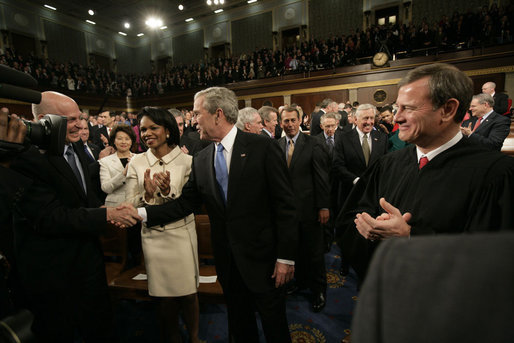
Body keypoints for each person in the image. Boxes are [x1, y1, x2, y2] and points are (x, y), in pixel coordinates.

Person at [120, 87, 298, 343]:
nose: (193, 120)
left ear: (217, 114)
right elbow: (184, 204)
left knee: (275, 326)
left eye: (196, 113)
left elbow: (286, 207)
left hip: (266, 261)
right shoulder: (202, 158)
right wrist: (139, 213)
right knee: (239, 324)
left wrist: (286, 258)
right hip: (227, 261)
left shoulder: (262, 147)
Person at [336, 63, 514, 283]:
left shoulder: (495, 175)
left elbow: (493, 264)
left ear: (448, 110)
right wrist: (368, 228)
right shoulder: (388, 164)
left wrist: (411, 239)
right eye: (397, 108)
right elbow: (348, 220)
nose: (396, 118)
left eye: (408, 108)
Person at [9, 91, 138, 343]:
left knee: (99, 328)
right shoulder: (25, 158)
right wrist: (103, 216)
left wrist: (102, 211)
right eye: (70, 120)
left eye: (81, 117)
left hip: (89, 261)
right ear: (45, 120)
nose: (81, 124)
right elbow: (50, 217)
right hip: (53, 273)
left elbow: (83, 199)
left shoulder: (76, 145)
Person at [125, 107, 200, 343]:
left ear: (167, 131)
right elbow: (129, 204)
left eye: (153, 128)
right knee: (164, 297)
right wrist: (146, 195)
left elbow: (190, 203)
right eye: (143, 129)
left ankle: (195, 337)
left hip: (181, 235)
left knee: (189, 294)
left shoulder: (188, 161)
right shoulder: (136, 162)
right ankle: (173, 337)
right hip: (153, 238)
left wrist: (168, 191)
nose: (146, 133)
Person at [279, 106, 330, 312]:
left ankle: (319, 289)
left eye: (293, 120)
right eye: (286, 121)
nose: (289, 124)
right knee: (295, 250)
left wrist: (323, 206)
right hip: (286, 212)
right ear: (281, 123)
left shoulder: (313, 143)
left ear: (300, 120)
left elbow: (322, 178)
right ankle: (300, 282)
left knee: (314, 252)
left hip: (310, 209)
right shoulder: (277, 145)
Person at [99, 125, 136, 207]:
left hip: (137, 204)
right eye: (119, 139)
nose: (123, 142)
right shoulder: (105, 162)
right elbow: (105, 188)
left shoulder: (138, 159)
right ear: (114, 141)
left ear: (131, 141)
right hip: (115, 206)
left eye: (127, 139)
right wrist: (124, 173)